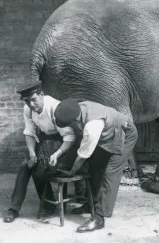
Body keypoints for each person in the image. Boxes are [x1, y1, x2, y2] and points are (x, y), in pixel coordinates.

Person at [3, 81, 84, 223]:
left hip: (65, 142)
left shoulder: (54, 107)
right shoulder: (28, 109)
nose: (31, 105)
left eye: (34, 100)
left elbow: (69, 138)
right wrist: (32, 154)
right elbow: (29, 132)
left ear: (41, 95)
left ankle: (51, 204)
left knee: (44, 164)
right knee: (27, 165)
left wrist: (57, 153)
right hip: (45, 139)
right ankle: (14, 209)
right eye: (27, 101)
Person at [54, 98, 138, 233]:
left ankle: (99, 218)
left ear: (74, 121)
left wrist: (71, 172)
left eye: (69, 125)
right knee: (96, 167)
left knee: (110, 173)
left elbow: (82, 156)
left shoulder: (92, 126)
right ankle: (90, 204)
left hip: (125, 133)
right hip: (108, 134)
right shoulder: (77, 108)